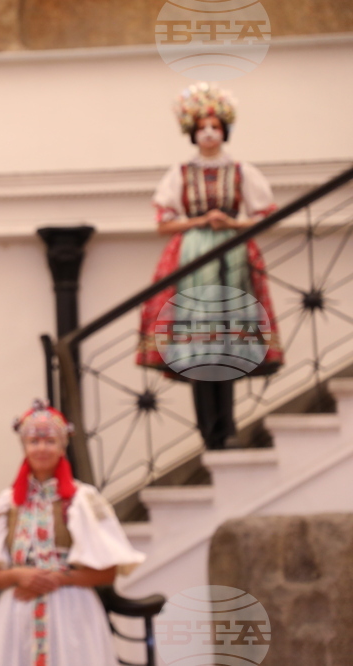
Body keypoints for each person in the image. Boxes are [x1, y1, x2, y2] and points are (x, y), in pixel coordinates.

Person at [136, 83, 283, 449]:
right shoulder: (181, 173)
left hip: (232, 252)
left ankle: (227, 427)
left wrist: (231, 224)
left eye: (215, 126)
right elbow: (163, 223)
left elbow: (266, 215)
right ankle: (209, 430)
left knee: (227, 337)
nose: (208, 133)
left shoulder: (241, 170)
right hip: (194, 254)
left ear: (224, 130)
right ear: (192, 132)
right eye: (202, 126)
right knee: (199, 340)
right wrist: (199, 222)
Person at [0, 400, 144, 666]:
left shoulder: (82, 499)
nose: (42, 448)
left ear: (62, 446)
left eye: (50, 441)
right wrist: (17, 574)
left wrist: (57, 579)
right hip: (18, 613)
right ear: (24, 447)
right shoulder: (9, 502)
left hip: (72, 611)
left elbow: (107, 572)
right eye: (34, 441)